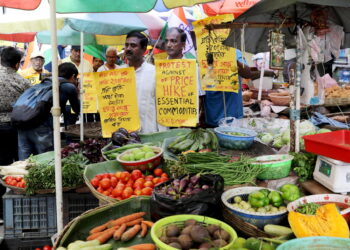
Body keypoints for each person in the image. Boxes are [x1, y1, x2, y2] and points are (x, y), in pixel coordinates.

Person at [17, 62, 80, 160]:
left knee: (25, 160)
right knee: (46, 158)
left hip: (24, 121)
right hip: (42, 125)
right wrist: (78, 91)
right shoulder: (69, 86)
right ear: (73, 76)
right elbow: (77, 109)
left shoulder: (46, 82)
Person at [204, 50, 275, 127]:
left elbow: (247, 73)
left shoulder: (234, 51)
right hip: (211, 113)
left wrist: (234, 61)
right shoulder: (203, 50)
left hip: (233, 115)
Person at [0, 46, 31, 220]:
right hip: (14, 129)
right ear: (18, 64)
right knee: (15, 168)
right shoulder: (22, 82)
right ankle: (15, 209)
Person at [122, 31, 167, 133]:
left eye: (133, 45)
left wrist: (162, 133)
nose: (128, 48)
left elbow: (163, 107)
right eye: (126, 45)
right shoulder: (118, 74)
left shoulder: (155, 73)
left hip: (149, 132)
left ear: (144, 49)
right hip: (125, 134)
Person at [164, 27, 206, 126]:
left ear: (183, 44)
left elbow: (200, 97)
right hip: (163, 122)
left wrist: (192, 120)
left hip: (186, 124)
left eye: (173, 41)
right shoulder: (158, 69)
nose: (169, 45)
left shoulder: (193, 68)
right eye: (167, 41)